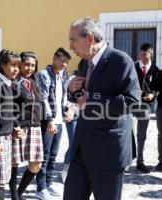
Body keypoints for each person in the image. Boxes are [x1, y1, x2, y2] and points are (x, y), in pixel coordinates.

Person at [65, 17, 141, 200]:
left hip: (108, 151)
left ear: (89, 38)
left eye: (73, 40)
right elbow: (81, 98)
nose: (71, 46)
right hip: (82, 148)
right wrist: (71, 90)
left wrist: (93, 100)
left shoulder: (121, 61)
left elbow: (132, 101)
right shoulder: (84, 63)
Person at [35, 47, 72, 200]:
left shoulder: (62, 75)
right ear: (54, 58)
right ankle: (40, 188)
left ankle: (48, 184)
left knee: (53, 155)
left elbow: (64, 96)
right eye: (62, 60)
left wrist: (67, 110)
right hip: (47, 121)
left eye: (66, 62)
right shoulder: (44, 75)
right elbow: (43, 98)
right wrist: (50, 120)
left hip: (59, 121)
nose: (64, 64)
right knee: (44, 155)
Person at [9, 51, 44, 200]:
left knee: (36, 165)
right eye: (26, 64)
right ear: (20, 64)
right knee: (14, 164)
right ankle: (14, 195)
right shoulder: (13, 84)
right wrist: (14, 125)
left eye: (32, 65)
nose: (29, 68)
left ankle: (20, 192)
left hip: (35, 128)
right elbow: (7, 108)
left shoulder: (35, 83)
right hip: (19, 128)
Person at [0, 49, 22, 200]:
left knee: (4, 176)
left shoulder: (8, 84)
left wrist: (15, 126)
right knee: (0, 179)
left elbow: (8, 112)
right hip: (0, 138)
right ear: (3, 65)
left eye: (18, 65)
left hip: (8, 135)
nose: (16, 69)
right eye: (12, 65)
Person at [134, 43, 159, 173]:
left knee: (141, 135)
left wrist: (153, 94)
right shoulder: (133, 67)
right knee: (129, 133)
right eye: (141, 54)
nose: (143, 57)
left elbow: (158, 87)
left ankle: (140, 161)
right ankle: (126, 160)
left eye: (145, 54)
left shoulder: (155, 70)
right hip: (131, 105)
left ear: (151, 55)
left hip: (145, 106)